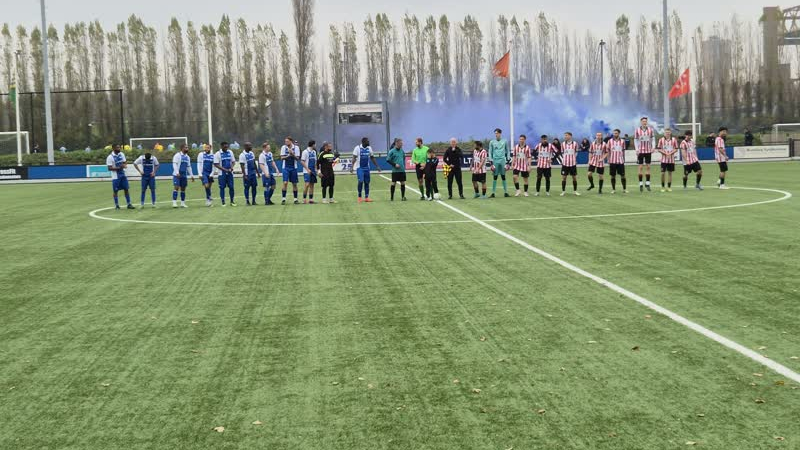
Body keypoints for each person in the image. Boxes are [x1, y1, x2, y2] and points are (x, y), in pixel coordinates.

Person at [350, 137, 381, 203]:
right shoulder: (357, 148)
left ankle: (366, 197)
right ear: (363, 142)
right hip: (360, 168)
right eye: (368, 141)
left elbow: (372, 158)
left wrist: (377, 166)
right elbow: (354, 158)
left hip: (367, 168)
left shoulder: (369, 148)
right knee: (361, 181)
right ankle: (359, 197)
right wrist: (351, 167)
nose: (369, 142)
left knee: (367, 182)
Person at [106, 144, 134, 209]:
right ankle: (117, 205)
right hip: (115, 176)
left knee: (126, 189)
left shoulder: (122, 154)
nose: (119, 149)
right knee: (115, 191)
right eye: (117, 147)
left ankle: (129, 204)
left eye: (119, 147)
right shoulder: (110, 157)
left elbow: (124, 162)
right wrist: (119, 167)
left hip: (123, 174)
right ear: (113, 148)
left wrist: (124, 165)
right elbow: (109, 168)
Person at [634, 117, 655, 192]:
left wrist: (653, 147)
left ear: (647, 122)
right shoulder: (637, 130)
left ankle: (647, 183)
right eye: (643, 121)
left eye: (645, 121)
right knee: (640, 167)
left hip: (648, 151)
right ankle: (640, 184)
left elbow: (653, 139)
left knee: (648, 167)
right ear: (641, 122)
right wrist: (636, 149)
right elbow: (636, 140)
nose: (644, 122)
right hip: (640, 151)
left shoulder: (650, 129)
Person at [489, 128, 511, 198]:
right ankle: (493, 193)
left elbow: (507, 151)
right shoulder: (492, 142)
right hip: (495, 161)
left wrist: (508, 161)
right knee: (495, 177)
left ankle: (506, 192)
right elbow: (490, 152)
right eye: (495, 133)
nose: (496, 135)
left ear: (500, 134)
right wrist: (491, 162)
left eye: (497, 133)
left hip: (502, 161)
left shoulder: (504, 141)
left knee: (503, 176)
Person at [214, 141, 237, 206]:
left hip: (230, 173)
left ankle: (232, 201)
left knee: (231, 187)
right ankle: (223, 202)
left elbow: (233, 162)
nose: (226, 148)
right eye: (225, 147)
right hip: (222, 174)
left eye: (227, 147)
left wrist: (231, 168)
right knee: (222, 188)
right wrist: (225, 170)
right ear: (221, 147)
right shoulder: (217, 154)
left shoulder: (230, 152)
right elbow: (216, 164)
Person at [171, 144, 195, 208]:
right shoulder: (177, 155)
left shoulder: (188, 157)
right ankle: (174, 203)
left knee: (183, 189)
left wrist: (191, 175)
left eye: (187, 147)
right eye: (186, 148)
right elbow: (174, 164)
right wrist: (177, 172)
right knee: (176, 187)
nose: (187, 149)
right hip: (177, 175)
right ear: (182, 148)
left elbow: (189, 167)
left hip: (184, 175)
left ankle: (182, 203)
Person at [280, 137, 301, 205]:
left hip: (293, 167)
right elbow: (282, 158)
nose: (286, 143)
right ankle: (283, 199)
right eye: (285, 141)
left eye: (287, 141)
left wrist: (293, 154)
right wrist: (289, 155)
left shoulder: (296, 148)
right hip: (285, 167)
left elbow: (297, 159)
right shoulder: (283, 147)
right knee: (285, 182)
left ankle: (295, 199)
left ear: (291, 141)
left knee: (294, 183)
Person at [559, 131, 580, 196]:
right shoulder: (562, 144)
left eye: (566, 135)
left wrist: (573, 158)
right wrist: (565, 159)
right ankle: (563, 191)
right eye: (565, 135)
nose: (565, 136)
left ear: (570, 136)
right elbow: (562, 153)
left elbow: (576, 152)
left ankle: (575, 191)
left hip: (572, 164)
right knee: (564, 178)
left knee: (574, 177)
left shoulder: (575, 144)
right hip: (565, 164)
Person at [607, 129, 628, 194]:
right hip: (612, 161)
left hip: (620, 161)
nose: (615, 134)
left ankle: (624, 189)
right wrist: (608, 159)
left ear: (619, 133)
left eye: (616, 133)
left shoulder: (622, 141)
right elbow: (608, 151)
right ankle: (613, 189)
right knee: (613, 176)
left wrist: (623, 159)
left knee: (623, 175)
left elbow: (623, 151)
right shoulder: (610, 141)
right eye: (614, 133)